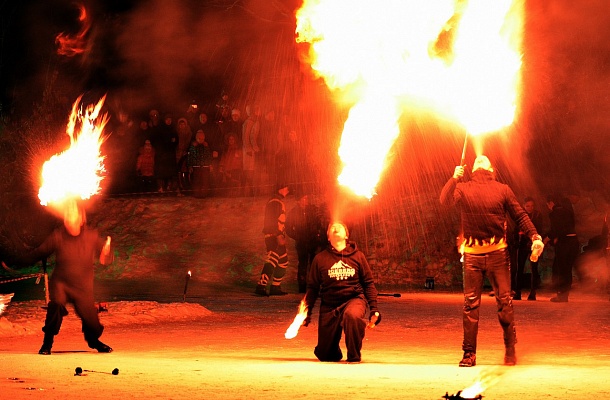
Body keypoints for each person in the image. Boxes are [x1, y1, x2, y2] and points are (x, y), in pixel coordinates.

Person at [439, 155, 543, 367]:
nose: (480, 157)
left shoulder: (502, 189)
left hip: (498, 255)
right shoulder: (464, 188)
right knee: (470, 305)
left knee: (504, 302)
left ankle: (510, 350)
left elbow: (520, 216)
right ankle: (469, 354)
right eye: (477, 159)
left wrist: (535, 236)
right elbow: (444, 202)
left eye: (484, 159)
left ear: (491, 169)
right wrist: (453, 179)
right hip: (472, 255)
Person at [26, 200, 114, 355]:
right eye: (67, 213)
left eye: (73, 212)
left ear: (81, 219)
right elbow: (38, 253)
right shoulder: (58, 236)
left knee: (92, 323)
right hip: (61, 283)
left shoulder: (91, 236)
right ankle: (47, 344)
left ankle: (93, 341)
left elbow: (105, 259)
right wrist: (13, 260)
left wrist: (106, 252)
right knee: (56, 306)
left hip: (83, 287)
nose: (69, 215)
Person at [302, 221, 381, 363]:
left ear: (347, 235)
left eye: (340, 226)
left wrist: (374, 309)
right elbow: (313, 287)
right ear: (328, 237)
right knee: (326, 356)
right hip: (329, 305)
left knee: (352, 316)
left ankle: (354, 355)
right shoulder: (320, 259)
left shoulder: (358, 256)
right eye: (331, 227)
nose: (335, 227)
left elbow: (368, 283)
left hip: (354, 299)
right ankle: (332, 350)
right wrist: (306, 312)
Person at [255, 183, 290, 296]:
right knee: (272, 259)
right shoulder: (275, 202)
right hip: (273, 236)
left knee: (283, 261)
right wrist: (278, 235)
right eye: (286, 188)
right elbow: (271, 220)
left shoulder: (277, 201)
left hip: (276, 235)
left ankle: (275, 287)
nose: (287, 191)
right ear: (280, 189)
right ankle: (261, 286)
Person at [285, 192, 324, 293]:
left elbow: (319, 222)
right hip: (302, 242)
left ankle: (314, 286)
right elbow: (288, 228)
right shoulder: (294, 212)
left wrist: (317, 234)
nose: (305, 201)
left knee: (314, 264)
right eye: (303, 199)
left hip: (313, 241)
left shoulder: (312, 209)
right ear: (298, 201)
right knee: (302, 264)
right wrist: (297, 237)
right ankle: (302, 287)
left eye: (306, 199)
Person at [544, 194, 580, 302]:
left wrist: (546, 239)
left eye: (548, 205)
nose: (548, 207)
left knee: (561, 270)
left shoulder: (554, 213)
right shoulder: (568, 211)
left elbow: (555, 229)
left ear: (551, 203)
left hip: (564, 244)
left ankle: (561, 295)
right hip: (574, 242)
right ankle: (565, 295)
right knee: (567, 269)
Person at [513, 196, 544, 301]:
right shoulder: (521, 216)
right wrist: (517, 240)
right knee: (519, 268)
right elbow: (515, 230)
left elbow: (540, 229)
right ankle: (517, 292)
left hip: (533, 244)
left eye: (532, 206)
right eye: (528, 206)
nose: (530, 208)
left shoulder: (538, 215)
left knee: (534, 268)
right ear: (524, 206)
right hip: (522, 244)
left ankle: (533, 292)